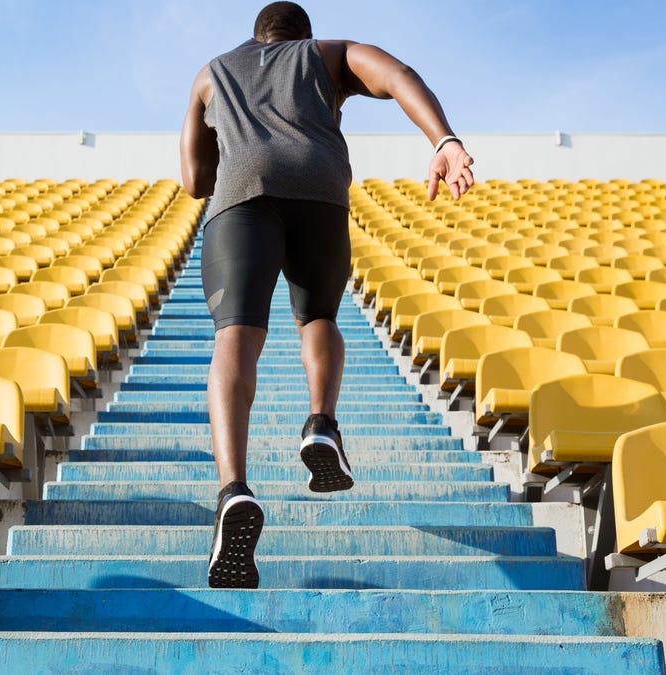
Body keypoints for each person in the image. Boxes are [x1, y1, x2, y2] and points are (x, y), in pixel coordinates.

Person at [179, 1, 475, 589]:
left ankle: (234, 490)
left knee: (236, 334)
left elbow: (194, 180)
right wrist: (444, 140)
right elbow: (396, 75)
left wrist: (238, 144)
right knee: (318, 318)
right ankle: (320, 423)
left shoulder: (213, 71)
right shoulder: (328, 55)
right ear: (301, 36)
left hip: (243, 195)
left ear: (256, 36)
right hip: (320, 190)